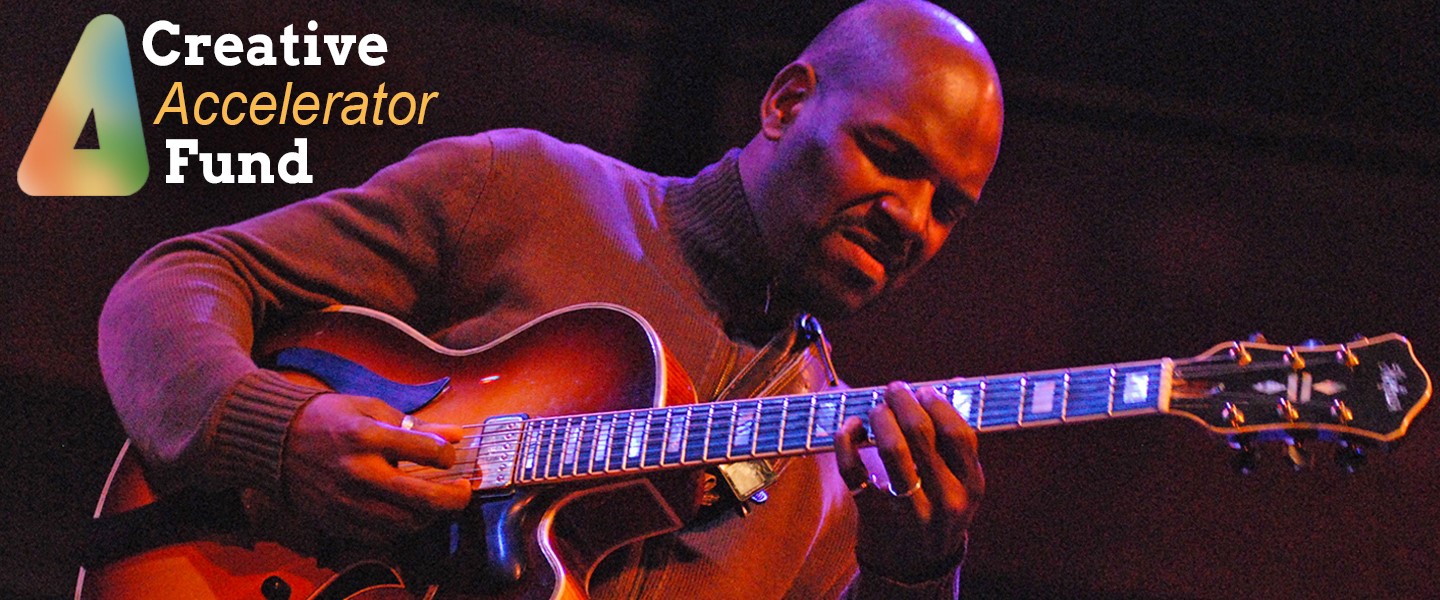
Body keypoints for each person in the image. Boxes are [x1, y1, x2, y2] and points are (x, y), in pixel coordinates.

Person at [97, 0, 1004, 597]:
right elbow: (178, 281)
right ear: (787, 102)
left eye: (951, 209)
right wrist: (282, 433)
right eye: (889, 156)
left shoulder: (840, 491)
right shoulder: (527, 190)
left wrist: (915, 574)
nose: (911, 218)